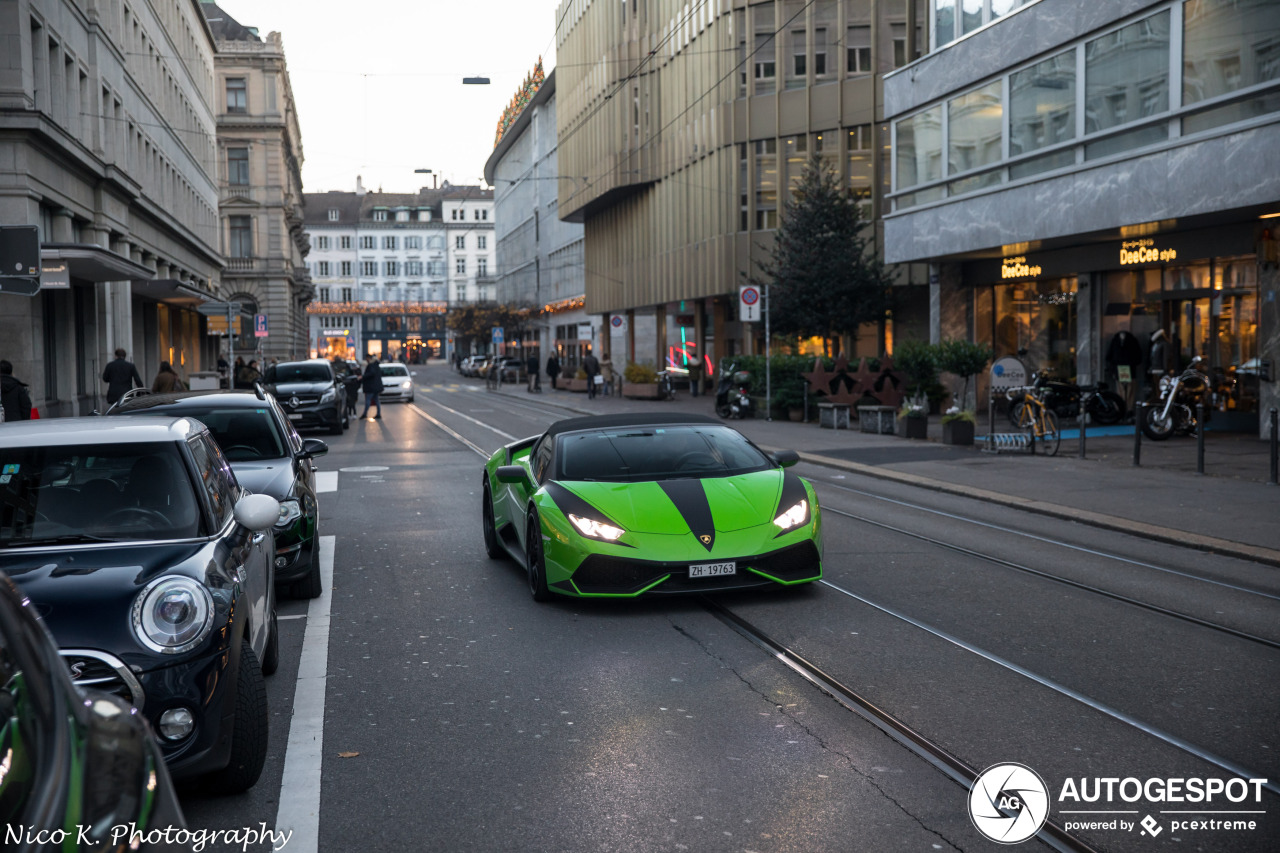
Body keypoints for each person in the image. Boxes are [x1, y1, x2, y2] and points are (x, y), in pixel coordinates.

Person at [360, 355, 383, 420]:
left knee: (368, 400)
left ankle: (365, 414)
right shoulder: (376, 365)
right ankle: (378, 414)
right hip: (376, 386)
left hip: (371, 386)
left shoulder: (371, 365)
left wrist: (363, 377)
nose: (366, 360)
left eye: (367, 358)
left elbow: (371, 373)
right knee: (376, 400)